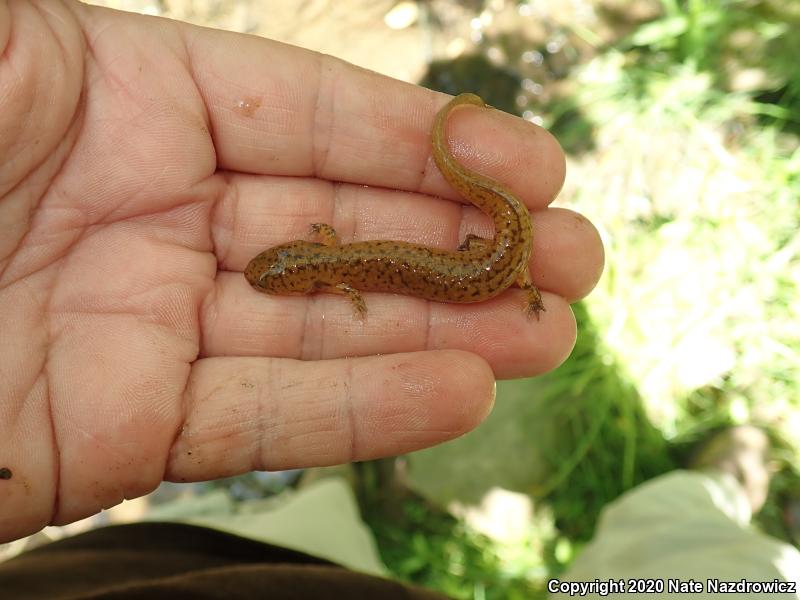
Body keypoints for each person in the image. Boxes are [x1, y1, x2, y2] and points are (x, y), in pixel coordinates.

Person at [0, 1, 603, 597]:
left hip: (487, 273)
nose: (261, 277)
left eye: (268, 274)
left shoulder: (337, 278)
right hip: (485, 265)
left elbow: (345, 277)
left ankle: (260, 501)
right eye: (268, 274)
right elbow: (337, 252)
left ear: (304, 274)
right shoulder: (331, 257)